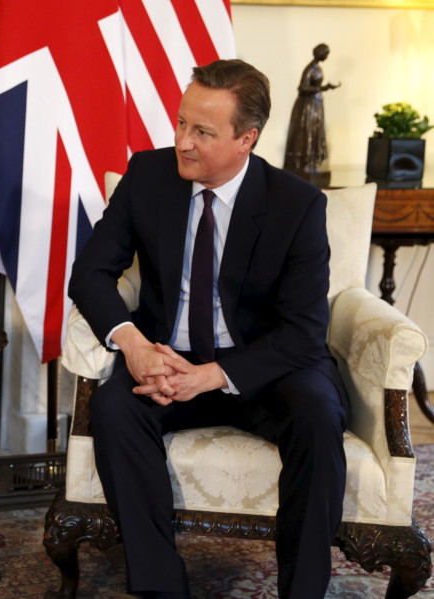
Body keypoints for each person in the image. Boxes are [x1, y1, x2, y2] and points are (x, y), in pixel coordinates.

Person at [68, 59, 348, 599]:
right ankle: (160, 588)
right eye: (180, 123)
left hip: (263, 369)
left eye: (202, 131)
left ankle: (303, 592)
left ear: (247, 138)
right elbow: (90, 273)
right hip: (166, 363)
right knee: (114, 407)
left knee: (318, 411)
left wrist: (213, 375)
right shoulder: (147, 176)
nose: (183, 142)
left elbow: (304, 333)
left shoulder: (297, 205)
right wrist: (132, 345)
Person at [283, 43, 340, 185]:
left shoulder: (318, 67)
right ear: (320, 53)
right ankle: (305, 162)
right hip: (308, 106)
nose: (327, 56)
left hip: (316, 104)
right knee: (307, 133)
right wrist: (323, 87)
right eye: (326, 53)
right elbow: (302, 87)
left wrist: (324, 88)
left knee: (315, 132)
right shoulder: (310, 68)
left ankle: (313, 162)